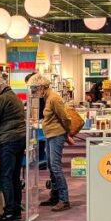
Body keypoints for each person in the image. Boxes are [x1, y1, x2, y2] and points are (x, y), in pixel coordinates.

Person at [0, 75, 25, 221]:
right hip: (19, 139)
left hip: (7, 140)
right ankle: (16, 210)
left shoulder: (1, 99)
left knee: (5, 176)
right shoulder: (14, 96)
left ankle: (9, 212)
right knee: (14, 176)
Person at [28, 73, 71, 212]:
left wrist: (68, 134)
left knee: (55, 166)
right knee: (51, 166)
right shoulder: (47, 98)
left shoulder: (54, 98)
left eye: (35, 89)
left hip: (57, 134)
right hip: (50, 134)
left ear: (42, 87)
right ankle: (55, 195)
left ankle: (64, 199)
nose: (34, 92)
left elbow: (65, 117)